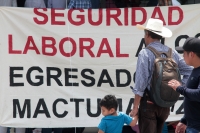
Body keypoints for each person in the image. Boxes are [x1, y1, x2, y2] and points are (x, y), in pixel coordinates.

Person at [129, 18, 192, 133]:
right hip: (165, 104)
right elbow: (189, 70)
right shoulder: (171, 52)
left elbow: (141, 83)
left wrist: (134, 108)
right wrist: (179, 87)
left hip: (148, 104)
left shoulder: (145, 53)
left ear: (147, 34)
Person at [168, 37, 200, 133]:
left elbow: (199, 94)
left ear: (191, 54)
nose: (182, 56)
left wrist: (179, 88)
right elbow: (193, 101)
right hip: (192, 125)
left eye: (184, 53)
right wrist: (184, 120)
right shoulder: (195, 70)